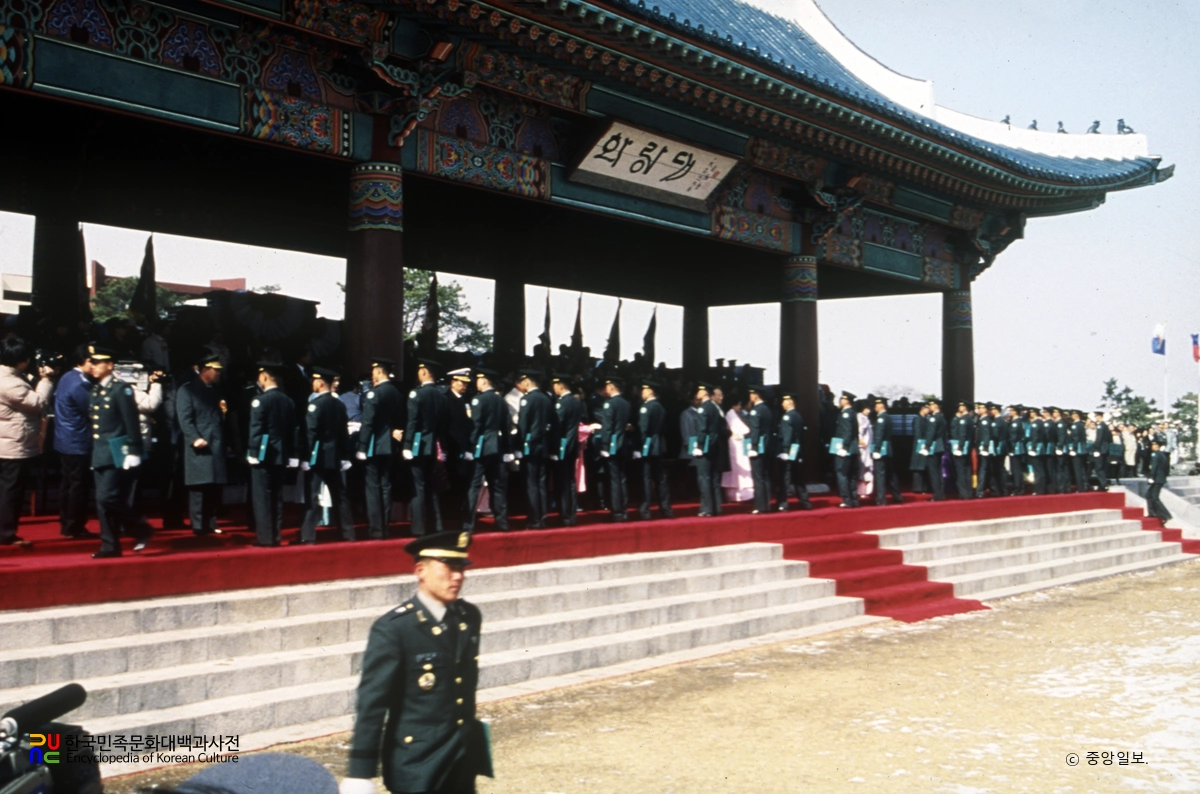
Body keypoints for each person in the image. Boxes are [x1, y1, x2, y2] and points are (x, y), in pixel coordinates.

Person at [342, 531, 492, 794]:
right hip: (417, 763)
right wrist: (360, 773)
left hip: (462, 757)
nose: (458, 576)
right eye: (449, 568)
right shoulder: (395, 629)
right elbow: (372, 703)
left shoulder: (468, 617)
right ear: (421, 570)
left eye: (461, 568)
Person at [87, 346, 152, 558]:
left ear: (110, 365)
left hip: (116, 452)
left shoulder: (121, 389)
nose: (94, 366)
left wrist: (134, 450)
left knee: (108, 498)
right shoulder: (97, 390)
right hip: (100, 452)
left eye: (98, 362)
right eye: (92, 363)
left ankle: (139, 528)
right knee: (102, 501)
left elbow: (130, 421)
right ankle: (110, 545)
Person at [0, 338, 55, 547]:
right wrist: (47, 381)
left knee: (7, 489)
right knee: (11, 491)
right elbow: (38, 403)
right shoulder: (10, 382)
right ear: (22, 360)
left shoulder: (10, 377)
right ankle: (6, 533)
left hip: (7, 440)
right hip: (13, 444)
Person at [297, 367, 355, 544]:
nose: (312, 384)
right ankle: (347, 533)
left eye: (314, 381)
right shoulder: (339, 404)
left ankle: (307, 535)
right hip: (335, 456)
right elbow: (343, 433)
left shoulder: (316, 405)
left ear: (320, 383)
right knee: (341, 496)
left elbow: (310, 433)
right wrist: (345, 455)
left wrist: (306, 457)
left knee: (313, 496)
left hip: (318, 456)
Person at [247, 361, 299, 547]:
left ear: (264, 377)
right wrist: (293, 454)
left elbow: (256, 428)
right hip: (281, 455)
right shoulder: (288, 401)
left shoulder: (260, 401)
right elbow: (294, 430)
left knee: (262, 498)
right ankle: (275, 536)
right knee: (277, 497)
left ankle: (265, 538)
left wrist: (253, 452)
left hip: (263, 454)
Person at [176, 354, 228, 536]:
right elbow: (185, 418)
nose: (219, 374)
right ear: (205, 370)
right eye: (216, 370)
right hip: (200, 443)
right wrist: (194, 437)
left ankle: (211, 522)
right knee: (199, 486)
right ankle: (198, 524)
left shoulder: (214, 390)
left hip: (215, 442)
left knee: (214, 485)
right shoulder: (187, 390)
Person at [52, 344, 96, 539]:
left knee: (68, 482)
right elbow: (92, 409)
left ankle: (66, 521)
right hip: (77, 438)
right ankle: (74, 525)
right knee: (78, 484)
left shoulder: (67, 377)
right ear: (82, 361)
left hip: (64, 437)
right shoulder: (80, 383)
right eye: (91, 361)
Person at [357, 357, 403, 539]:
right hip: (389, 444)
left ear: (377, 372)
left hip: (374, 444)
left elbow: (368, 422)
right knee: (385, 485)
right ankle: (384, 526)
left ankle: (375, 529)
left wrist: (362, 446)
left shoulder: (374, 393)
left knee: (372, 487)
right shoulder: (396, 392)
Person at [463, 368, 509, 532]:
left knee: (474, 485)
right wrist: (507, 449)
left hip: (481, 446)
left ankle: (468, 524)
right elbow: (506, 426)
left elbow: (476, 426)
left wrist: (469, 447)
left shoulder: (478, 400)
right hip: (497, 446)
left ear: (483, 381)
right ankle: (502, 522)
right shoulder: (500, 400)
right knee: (497, 486)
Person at [405, 359, 446, 537]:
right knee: (432, 486)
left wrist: (407, 445)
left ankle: (418, 527)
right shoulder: (441, 395)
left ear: (423, 372)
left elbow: (412, 422)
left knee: (418, 487)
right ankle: (437, 524)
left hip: (418, 445)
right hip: (433, 444)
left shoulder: (417, 394)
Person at [595, 376, 631, 522]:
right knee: (622, 478)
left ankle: (617, 511)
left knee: (615, 479)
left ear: (611, 387)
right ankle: (624, 509)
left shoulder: (610, 404)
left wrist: (604, 445)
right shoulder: (626, 403)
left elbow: (608, 426)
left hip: (612, 444)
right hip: (623, 443)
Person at [636, 380, 672, 521]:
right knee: (660, 478)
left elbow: (643, 430)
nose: (641, 393)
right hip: (658, 445)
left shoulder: (646, 407)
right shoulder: (660, 407)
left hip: (648, 445)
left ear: (650, 391)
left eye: (644, 390)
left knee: (646, 478)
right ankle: (666, 508)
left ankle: (645, 510)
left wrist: (639, 447)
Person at [551, 373, 584, 526]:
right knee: (570, 480)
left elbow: (558, 426)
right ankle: (571, 512)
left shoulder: (562, 403)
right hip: (573, 444)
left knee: (562, 481)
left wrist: (554, 447)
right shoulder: (577, 402)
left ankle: (565, 514)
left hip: (562, 445)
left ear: (560, 386)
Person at [775, 392, 813, 511]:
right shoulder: (798, 416)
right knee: (798, 477)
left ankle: (783, 503)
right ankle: (805, 501)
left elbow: (787, 434)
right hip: (797, 450)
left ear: (789, 402)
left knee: (785, 477)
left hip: (788, 450)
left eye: (784, 401)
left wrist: (785, 450)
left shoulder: (787, 416)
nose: (782, 404)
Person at [743, 385, 773, 514]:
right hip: (766, 446)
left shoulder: (756, 410)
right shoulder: (766, 409)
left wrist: (753, 446)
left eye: (751, 394)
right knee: (765, 476)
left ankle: (760, 506)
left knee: (758, 477)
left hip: (758, 447)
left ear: (756, 395)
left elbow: (755, 429)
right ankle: (766, 504)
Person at [695, 383, 725, 516]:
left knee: (704, 477)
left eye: (699, 391)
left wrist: (699, 446)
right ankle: (716, 507)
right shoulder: (715, 407)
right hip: (715, 446)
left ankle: (707, 508)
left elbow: (702, 429)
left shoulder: (703, 408)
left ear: (704, 393)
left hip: (706, 447)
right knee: (713, 478)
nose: (697, 394)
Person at [871, 397, 902, 505]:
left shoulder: (881, 418)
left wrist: (876, 449)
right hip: (888, 448)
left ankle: (881, 499)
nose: (875, 408)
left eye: (876, 405)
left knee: (880, 474)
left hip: (881, 449)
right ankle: (897, 495)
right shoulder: (888, 417)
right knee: (891, 473)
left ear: (881, 406)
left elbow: (879, 434)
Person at [831, 391, 858, 508]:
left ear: (846, 400)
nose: (840, 400)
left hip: (845, 448)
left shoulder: (846, 414)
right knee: (851, 474)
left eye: (842, 399)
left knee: (842, 473)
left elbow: (847, 431)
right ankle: (854, 499)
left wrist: (844, 447)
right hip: (852, 448)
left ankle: (846, 499)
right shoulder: (853, 413)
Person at [922, 400, 947, 501]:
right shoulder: (941, 417)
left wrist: (927, 445)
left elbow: (931, 433)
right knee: (938, 470)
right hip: (940, 445)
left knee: (933, 471)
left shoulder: (933, 418)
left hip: (934, 446)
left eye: (931, 406)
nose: (929, 408)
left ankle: (936, 494)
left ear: (935, 406)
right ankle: (941, 493)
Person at [1144, 437, 1172, 525]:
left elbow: (1154, 467)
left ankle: (1165, 515)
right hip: (1160, 478)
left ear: (1158, 446)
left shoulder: (1155, 455)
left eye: (1155, 445)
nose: (1153, 446)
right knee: (1149, 495)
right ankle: (1152, 513)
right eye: (1152, 445)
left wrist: (1151, 476)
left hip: (1156, 478)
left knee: (1154, 497)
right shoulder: (1163, 455)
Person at [909, 403, 930, 494]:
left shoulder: (925, 419)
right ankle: (918, 488)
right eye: (927, 408)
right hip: (920, 445)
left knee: (924, 466)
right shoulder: (918, 419)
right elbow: (918, 433)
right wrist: (921, 445)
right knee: (918, 466)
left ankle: (924, 487)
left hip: (924, 445)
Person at [855, 400, 874, 501]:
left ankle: (867, 490)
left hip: (868, 447)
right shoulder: (859, 417)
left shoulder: (866, 418)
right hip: (862, 447)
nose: (868, 411)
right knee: (861, 468)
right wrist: (860, 440)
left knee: (868, 468)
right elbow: (859, 431)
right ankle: (860, 490)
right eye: (866, 409)